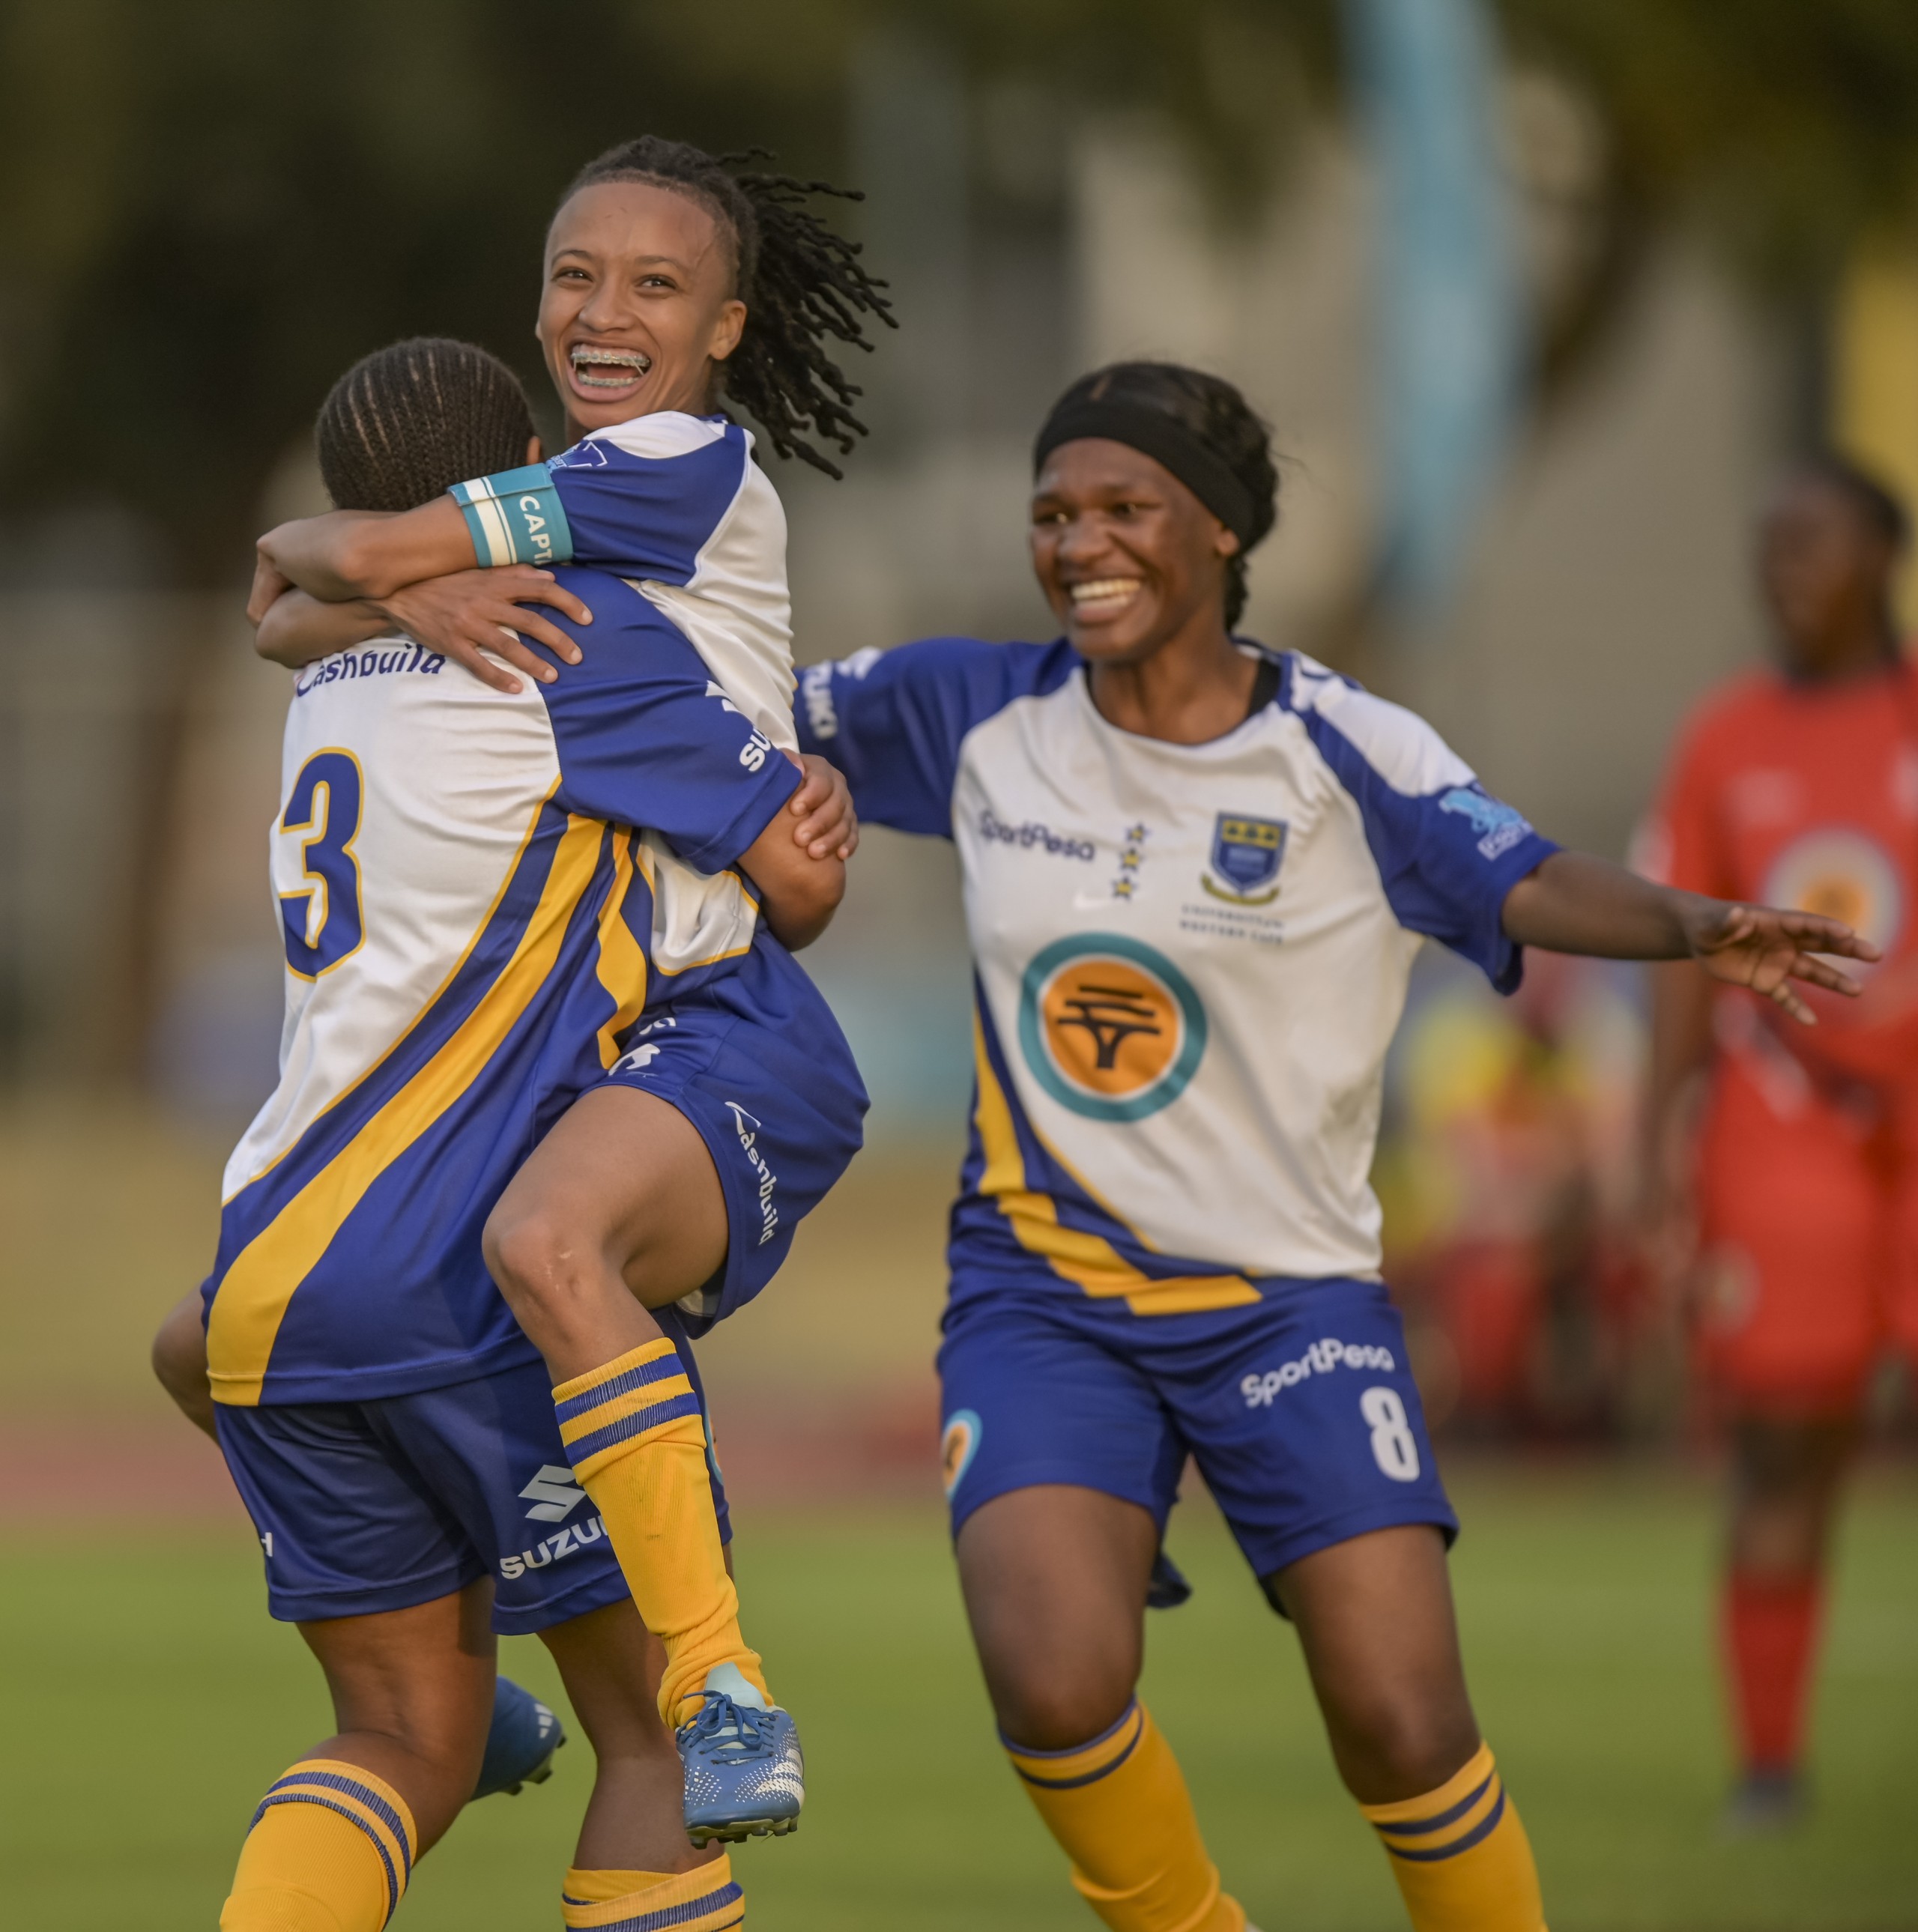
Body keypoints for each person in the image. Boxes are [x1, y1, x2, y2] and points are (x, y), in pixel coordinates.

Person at [796, 361, 1875, 1932]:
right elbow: (726, 712)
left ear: (1219, 531)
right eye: (1051, 514)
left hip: (1286, 1300)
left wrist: (1690, 928)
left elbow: (1518, 872)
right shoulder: (966, 709)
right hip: (1041, 1298)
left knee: (1399, 1721)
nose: (1076, 543)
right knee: (1048, 1676)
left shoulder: (1338, 746)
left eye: (1120, 510)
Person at [205, 312, 867, 1932]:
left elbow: (281, 597)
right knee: (642, 1742)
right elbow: (792, 880)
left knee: (394, 1735)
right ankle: (721, 1691)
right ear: (525, 486)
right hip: (460, 1278)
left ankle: (455, 1689)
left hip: (271, 1285)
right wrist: (798, 799)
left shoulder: (326, 671)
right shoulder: (568, 639)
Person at [1640, 455, 1918, 1832]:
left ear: (1883, 554)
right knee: (1785, 1444)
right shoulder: (1723, 738)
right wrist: (1657, 1151)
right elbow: (1682, 960)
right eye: (1768, 545)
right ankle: (1767, 1767)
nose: (1783, 566)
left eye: (1811, 541)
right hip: (1783, 1138)